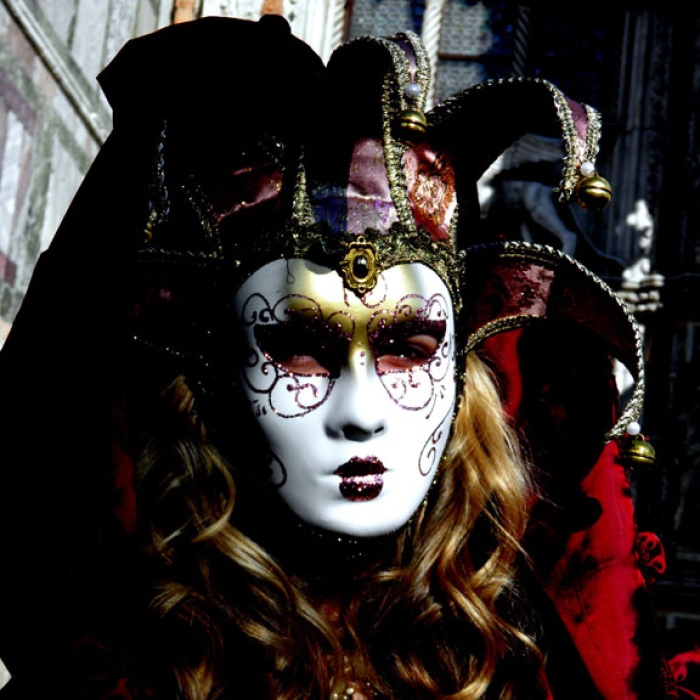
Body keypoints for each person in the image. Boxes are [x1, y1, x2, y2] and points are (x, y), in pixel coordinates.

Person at [0, 15, 669, 699]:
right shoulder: (114, 667)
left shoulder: (516, 665)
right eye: (301, 351)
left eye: (407, 349)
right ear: (214, 373)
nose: (361, 413)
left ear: (460, 378)